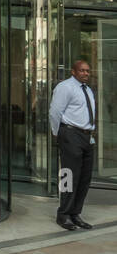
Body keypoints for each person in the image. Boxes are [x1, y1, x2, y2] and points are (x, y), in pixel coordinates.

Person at [49, 59, 97, 231]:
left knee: (84, 178)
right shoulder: (65, 87)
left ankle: (75, 213)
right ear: (73, 72)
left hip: (86, 137)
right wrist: (58, 133)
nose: (85, 73)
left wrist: (90, 135)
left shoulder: (88, 90)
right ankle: (63, 214)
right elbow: (55, 112)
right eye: (82, 70)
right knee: (68, 175)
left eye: (87, 71)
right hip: (70, 134)